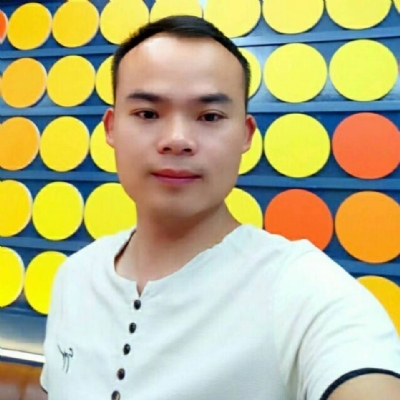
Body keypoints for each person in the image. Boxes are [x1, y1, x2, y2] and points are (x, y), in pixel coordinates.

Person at [40, 15, 400, 400]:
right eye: (147, 113)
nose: (177, 140)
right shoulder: (73, 278)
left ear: (245, 135)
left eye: (210, 116)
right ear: (111, 128)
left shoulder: (307, 293)